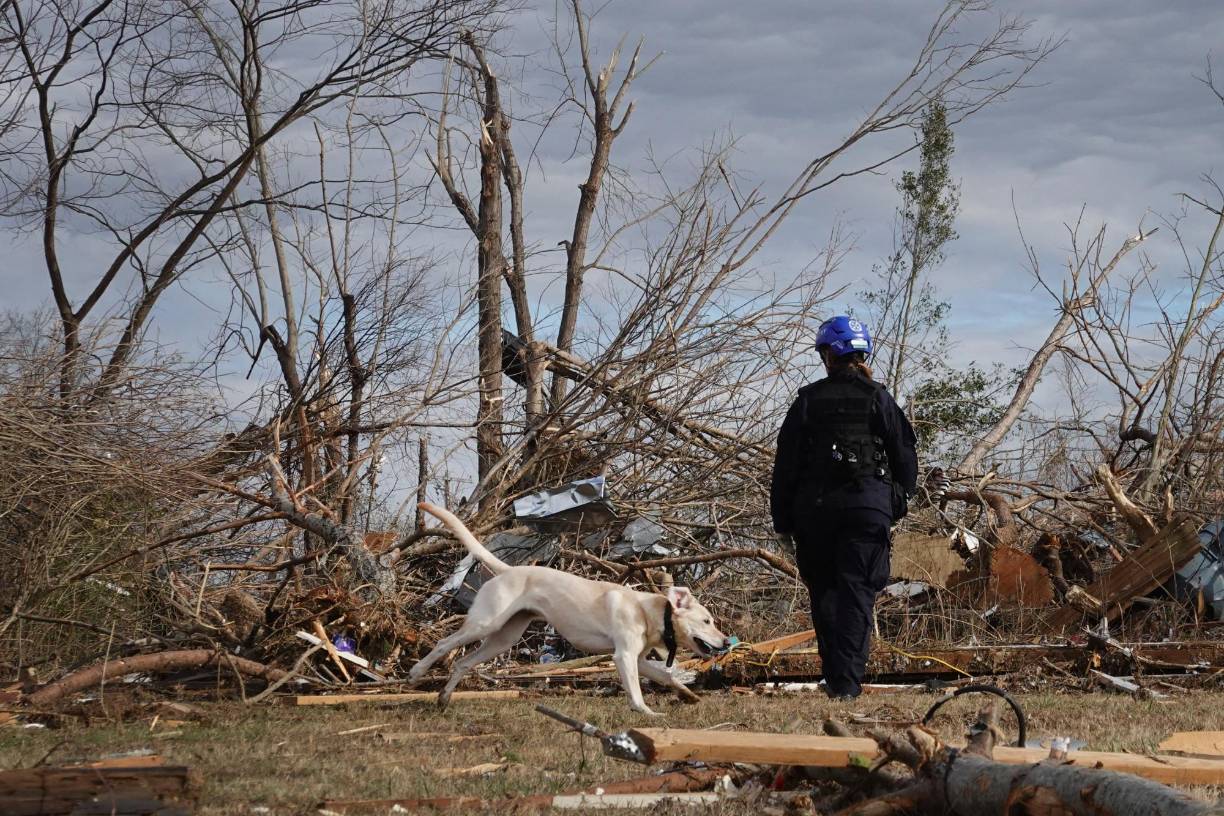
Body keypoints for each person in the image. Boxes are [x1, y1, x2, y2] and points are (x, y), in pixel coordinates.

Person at [770, 315, 918, 700]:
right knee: (857, 595)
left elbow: (785, 465)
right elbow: (905, 455)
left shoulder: (807, 401)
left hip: (814, 514)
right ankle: (846, 685)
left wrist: (782, 522)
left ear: (827, 355)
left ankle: (837, 680)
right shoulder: (878, 398)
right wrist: (894, 501)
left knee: (825, 594)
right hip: (867, 511)